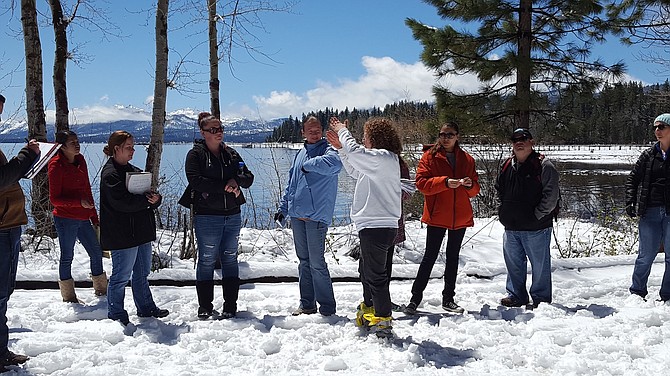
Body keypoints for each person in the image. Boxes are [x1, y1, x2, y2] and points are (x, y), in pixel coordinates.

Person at [326, 117, 401, 338]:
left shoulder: (383, 158)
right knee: (366, 271)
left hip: (378, 226)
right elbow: (355, 170)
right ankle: (371, 308)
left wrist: (342, 131)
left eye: (365, 137)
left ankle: (383, 320)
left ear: (375, 139)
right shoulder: (378, 162)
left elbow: (356, 153)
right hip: (374, 226)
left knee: (376, 275)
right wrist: (341, 149)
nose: (362, 140)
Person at [179, 112, 254, 319]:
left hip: (232, 214)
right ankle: (205, 306)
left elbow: (248, 177)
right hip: (207, 216)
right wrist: (225, 187)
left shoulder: (231, 154)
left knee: (230, 259)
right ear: (203, 133)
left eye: (220, 128)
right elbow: (196, 181)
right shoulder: (195, 155)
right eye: (213, 130)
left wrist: (237, 182)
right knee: (207, 260)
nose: (218, 132)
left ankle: (231, 305)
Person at [403, 122, 480, 315]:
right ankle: (415, 299)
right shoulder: (429, 157)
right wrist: (445, 182)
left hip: (459, 216)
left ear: (457, 137)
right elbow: (421, 184)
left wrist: (469, 185)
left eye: (450, 135)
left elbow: (474, 191)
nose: (445, 138)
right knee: (429, 256)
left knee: (453, 257)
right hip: (437, 215)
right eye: (442, 134)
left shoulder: (467, 159)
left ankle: (449, 299)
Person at [275, 116, 342, 316]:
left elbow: (335, 164)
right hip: (297, 217)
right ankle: (307, 304)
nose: (314, 133)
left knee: (317, 263)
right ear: (303, 132)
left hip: (316, 218)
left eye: (317, 129)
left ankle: (328, 308)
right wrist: (283, 208)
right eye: (310, 130)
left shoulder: (329, 150)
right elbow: (292, 185)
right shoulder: (300, 153)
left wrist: (309, 165)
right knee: (304, 262)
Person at [100, 130, 168, 326]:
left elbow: (147, 197)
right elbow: (121, 202)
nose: (132, 151)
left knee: (141, 274)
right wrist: (146, 202)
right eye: (129, 147)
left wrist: (155, 199)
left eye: (133, 147)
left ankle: (146, 307)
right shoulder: (110, 174)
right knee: (120, 276)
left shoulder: (135, 172)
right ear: (116, 149)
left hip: (140, 232)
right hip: (122, 235)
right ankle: (116, 313)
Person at [495, 128, 560, 308]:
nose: (519, 142)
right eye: (515, 139)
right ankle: (516, 295)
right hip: (511, 227)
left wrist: (537, 216)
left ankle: (540, 299)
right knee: (514, 265)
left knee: (540, 267)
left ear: (532, 142)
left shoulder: (544, 166)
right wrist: (503, 210)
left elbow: (551, 196)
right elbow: (498, 189)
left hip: (536, 228)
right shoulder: (507, 165)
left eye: (524, 138)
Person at [0, 94, 39, 369]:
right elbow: (2, 179)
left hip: (9, 225)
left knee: (3, 293)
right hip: (2, 229)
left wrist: (26, 164)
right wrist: (27, 155)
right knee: (0, 293)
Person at [48, 130, 106, 303]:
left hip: (83, 217)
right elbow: (54, 199)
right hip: (65, 219)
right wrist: (78, 203)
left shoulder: (80, 161)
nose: (77, 144)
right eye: (72, 142)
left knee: (96, 252)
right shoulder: (55, 165)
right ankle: (68, 296)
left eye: (77, 141)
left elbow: (87, 189)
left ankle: (102, 291)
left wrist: (94, 216)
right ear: (62, 146)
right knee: (67, 256)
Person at [626, 113, 670, 302]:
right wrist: (630, 201)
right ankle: (637, 292)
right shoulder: (648, 155)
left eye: (662, 127)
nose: (657, 131)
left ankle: (667, 295)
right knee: (645, 255)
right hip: (650, 211)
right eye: (655, 127)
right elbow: (632, 180)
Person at [387, 156, 411, 312]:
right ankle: (368, 300)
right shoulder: (366, 159)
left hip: (391, 221)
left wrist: (389, 189)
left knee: (385, 263)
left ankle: (383, 300)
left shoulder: (399, 163)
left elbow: (408, 192)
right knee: (367, 266)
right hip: (369, 223)